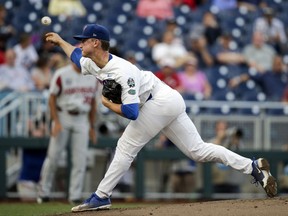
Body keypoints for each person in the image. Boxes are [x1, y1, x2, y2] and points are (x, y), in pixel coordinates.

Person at [43, 23, 277, 212]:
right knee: (198, 151)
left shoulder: (123, 71)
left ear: (95, 42)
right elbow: (75, 57)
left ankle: (101, 196)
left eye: (83, 40)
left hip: (160, 101)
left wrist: (108, 103)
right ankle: (253, 166)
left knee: (125, 147)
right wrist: (60, 41)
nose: (79, 44)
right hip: (165, 99)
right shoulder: (92, 62)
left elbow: (132, 113)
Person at [37, 62, 98, 204]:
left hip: (82, 117)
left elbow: (93, 102)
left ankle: (74, 196)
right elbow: (52, 98)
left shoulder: (92, 76)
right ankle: (43, 193)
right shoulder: (62, 74)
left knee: (80, 160)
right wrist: (56, 121)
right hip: (63, 115)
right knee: (53, 157)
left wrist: (92, 126)